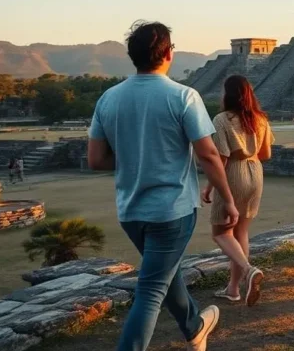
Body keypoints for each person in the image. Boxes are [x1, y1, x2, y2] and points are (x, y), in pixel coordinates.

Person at [87, 21, 233, 351]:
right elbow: (208, 155)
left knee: (164, 274)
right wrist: (228, 199)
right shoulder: (183, 96)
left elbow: (96, 159)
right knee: (151, 289)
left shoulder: (108, 99)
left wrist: (135, 159)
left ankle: (194, 326)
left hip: (131, 212)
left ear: (132, 56)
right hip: (172, 211)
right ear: (168, 53)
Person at [203, 75, 270, 306]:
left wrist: (210, 186)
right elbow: (266, 154)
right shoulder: (260, 119)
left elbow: (220, 158)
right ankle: (233, 289)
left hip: (234, 173)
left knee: (221, 233)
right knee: (240, 232)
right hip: (255, 173)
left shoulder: (222, 120)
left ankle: (249, 270)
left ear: (227, 94)